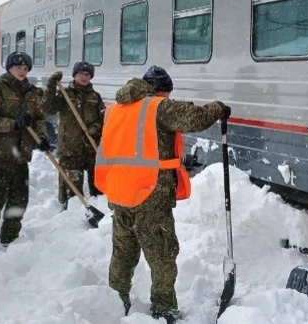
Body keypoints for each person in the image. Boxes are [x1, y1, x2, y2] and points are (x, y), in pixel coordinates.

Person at [96, 65, 231, 322]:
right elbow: (194, 117)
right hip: (150, 194)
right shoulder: (156, 106)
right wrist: (218, 108)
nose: (167, 99)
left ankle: (115, 301)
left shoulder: (117, 108)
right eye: (167, 94)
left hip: (121, 192)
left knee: (123, 253)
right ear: (161, 91)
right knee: (163, 256)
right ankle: (164, 309)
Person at [0, 52, 49, 251]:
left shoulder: (33, 93)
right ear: (9, 68)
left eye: (25, 68)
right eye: (18, 67)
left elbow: (39, 119)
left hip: (20, 157)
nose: (22, 71)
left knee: (18, 201)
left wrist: (41, 138)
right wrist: (12, 124)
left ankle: (10, 241)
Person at [43, 61, 105, 207]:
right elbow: (49, 108)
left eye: (88, 75)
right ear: (75, 75)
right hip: (70, 148)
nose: (84, 77)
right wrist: (51, 86)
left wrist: (94, 129)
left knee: (97, 185)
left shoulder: (95, 97)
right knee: (72, 187)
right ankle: (69, 213)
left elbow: (103, 119)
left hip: (90, 147)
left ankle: (97, 209)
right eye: (81, 74)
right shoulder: (65, 94)